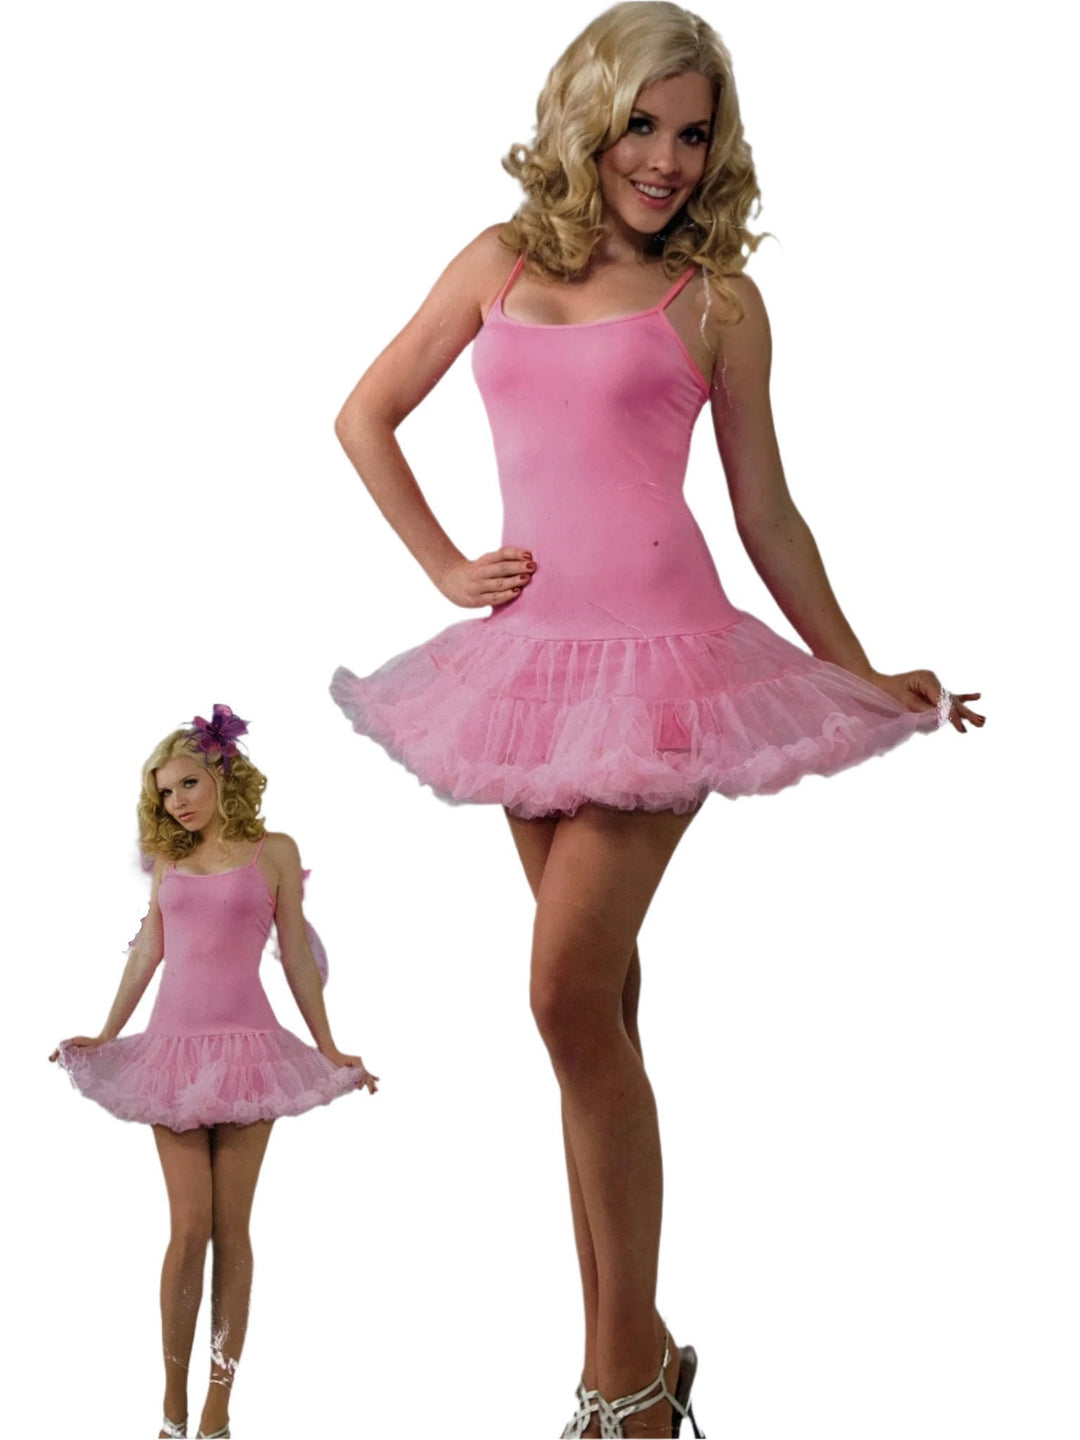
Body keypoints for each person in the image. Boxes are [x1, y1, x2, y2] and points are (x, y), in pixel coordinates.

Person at [328, 4, 983, 1434]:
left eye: (694, 134)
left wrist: (860, 668)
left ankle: (622, 1385)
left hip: (670, 670)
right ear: (589, 116)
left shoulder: (717, 301)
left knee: (562, 994)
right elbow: (364, 415)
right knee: (596, 1018)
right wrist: (445, 568)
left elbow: (766, 512)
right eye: (643, 124)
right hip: (527, 674)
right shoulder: (498, 263)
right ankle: (635, 1360)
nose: (668, 160)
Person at [50, 705, 377, 1440]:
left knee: (233, 1232)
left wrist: (328, 1046)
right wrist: (106, 1034)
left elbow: (296, 956)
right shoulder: (168, 862)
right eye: (165, 792)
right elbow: (149, 950)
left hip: (250, 1053)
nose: (177, 802)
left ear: (223, 774)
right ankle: (172, 1407)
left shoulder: (275, 852)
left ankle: (217, 1410)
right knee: (189, 1227)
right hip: (171, 1055)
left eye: (187, 784)